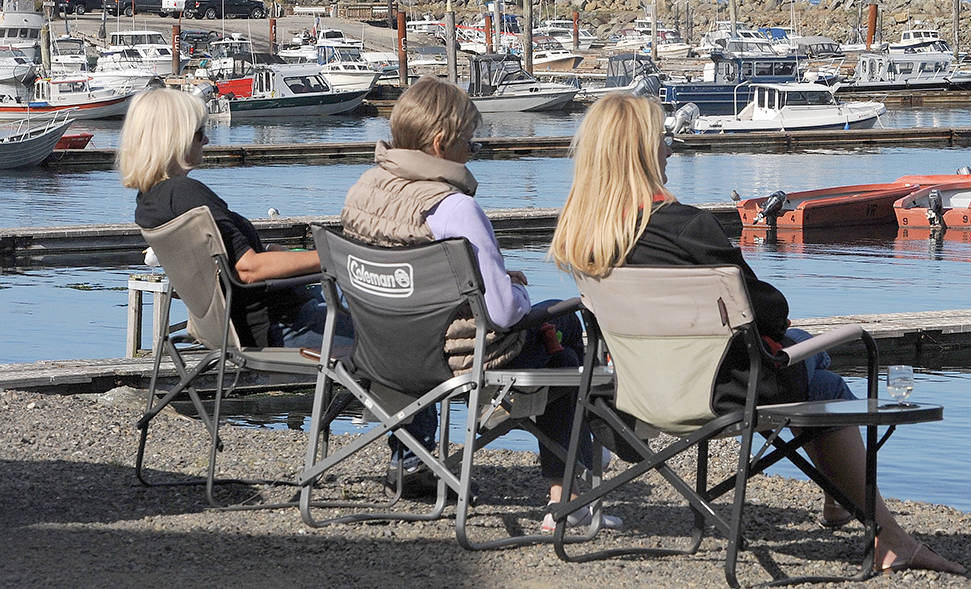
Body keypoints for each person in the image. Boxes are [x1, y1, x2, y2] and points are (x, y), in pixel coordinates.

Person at [548, 93, 964, 575]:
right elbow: (768, 312)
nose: (669, 149)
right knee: (821, 376)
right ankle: (884, 534)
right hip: (721, 395)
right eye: (661, 139)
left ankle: (847, 506)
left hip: (632, 394)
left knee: (808, 354)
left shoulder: (582, 236)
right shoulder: (687, 228)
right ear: (641, 151)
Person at [341, 77, 617, 530]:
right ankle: (569, 494)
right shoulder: (454, 209)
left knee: (554, 349)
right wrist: (515, 290)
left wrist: (485, 281)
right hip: (453, 358)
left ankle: (577, 452)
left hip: (378, 351)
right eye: (469, 140)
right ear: (441, 143)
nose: (473, 149)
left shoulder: (363, 190)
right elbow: (505, 313)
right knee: (563, 343)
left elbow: (408, 276)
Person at [118, 87, 347, 349]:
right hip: (281, 326)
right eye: (199, 133)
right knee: (392, 315)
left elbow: (231, 262)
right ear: (175, 139)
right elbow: (248, 269)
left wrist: (280, 253)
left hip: (243, 325)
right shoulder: (184, 194)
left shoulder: (150, 202)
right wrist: (337, 256)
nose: (205, 141)